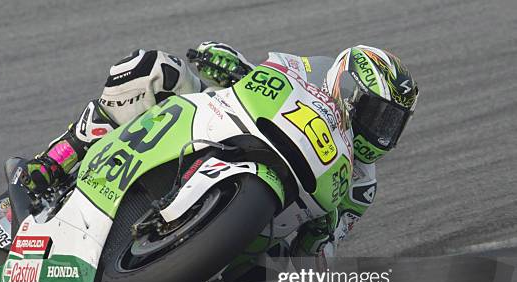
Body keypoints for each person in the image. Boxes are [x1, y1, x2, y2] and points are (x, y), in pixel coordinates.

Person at [23, 42, 419, 260]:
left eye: (392, 123)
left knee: (280, 278)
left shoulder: (360, 187)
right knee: (155, 68)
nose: (381, 132)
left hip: (256, 234)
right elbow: (254, 75)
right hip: (223, 132)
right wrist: (227, 60)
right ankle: (57, 159)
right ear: (349, 92)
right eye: (378, 115)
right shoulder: (305, 76)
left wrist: (322, 235)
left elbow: (322, 253)